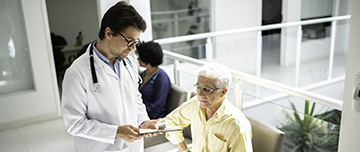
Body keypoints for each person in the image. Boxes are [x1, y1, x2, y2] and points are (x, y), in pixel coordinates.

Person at [61, 2, 160, 152]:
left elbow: (135, 99)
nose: (133, 47)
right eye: (129, 41)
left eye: (136, 41)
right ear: (108, 33)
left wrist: (143, 121)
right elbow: (74, 124)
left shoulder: (130, 63)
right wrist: (116, 132)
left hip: (134, 147)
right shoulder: (77, 73)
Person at [165, 63, 253, 152]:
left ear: (223, 92)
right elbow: (171, 120)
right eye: (198, 87)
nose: (199, 94)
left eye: (207, 89)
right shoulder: (195, 104)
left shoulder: (237, 126)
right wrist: (183, 149)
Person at [136, 41, 171, 119]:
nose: (138, 59)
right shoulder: (144, 73)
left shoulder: (161, 77)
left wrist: (140, 117)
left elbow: (157, 106)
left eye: (140, 57)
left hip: (153, 118)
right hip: (141, 114)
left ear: (147, 58)